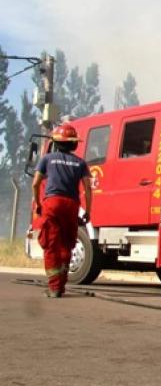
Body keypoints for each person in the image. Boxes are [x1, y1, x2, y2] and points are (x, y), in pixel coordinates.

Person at [31, 123, 92, 298]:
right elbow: (88, 188)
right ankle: (61, 285)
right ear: (74, 144)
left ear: (56, 142)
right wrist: (88, 211)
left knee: (51, 245)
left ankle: (54, 287)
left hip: (52, 203)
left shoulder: (46, 159)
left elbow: (35, 183)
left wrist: (38, 203)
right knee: (66, 244)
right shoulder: (81, 163)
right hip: (72, 205)